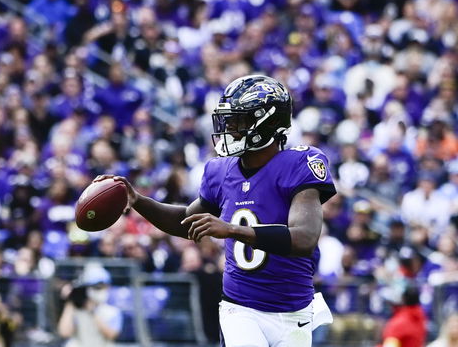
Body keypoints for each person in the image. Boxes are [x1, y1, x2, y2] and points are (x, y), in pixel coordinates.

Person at [96, 74, 336, 346]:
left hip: (295, 310)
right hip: (241, 308)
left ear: (267, 123)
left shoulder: (299, 164)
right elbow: (187, 222)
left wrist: (232, 229)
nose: (229, 127)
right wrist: (138, 200)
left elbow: (304, 238)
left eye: (239, 120)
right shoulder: (220, 172)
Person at [57, 262, 123, 347]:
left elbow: (111, 335)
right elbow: (64, 333)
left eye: (102, 286)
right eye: (95, 287)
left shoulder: (112, 311)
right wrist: (71, 302)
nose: (98, 290)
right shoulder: (78, 310)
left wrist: (92, 312)